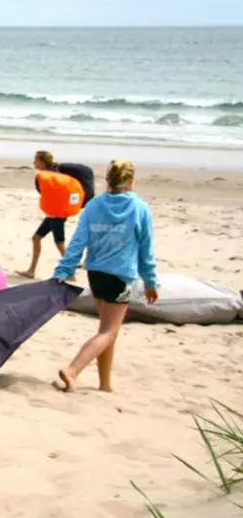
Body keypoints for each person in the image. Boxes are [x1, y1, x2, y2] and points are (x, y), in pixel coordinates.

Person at [52, 160, 158, 393]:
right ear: (131, 181)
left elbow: (79, 241)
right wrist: (151, 282)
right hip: (119, 276)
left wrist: (65, 269)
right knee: (109, 332)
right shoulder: (139, 208)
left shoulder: (93, 205)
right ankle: (72, 370)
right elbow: (146, 249)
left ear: (108, 180)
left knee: (107, 330)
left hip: (96, 273)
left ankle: (105, 384)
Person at [18, 150, 96, 278]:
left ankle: (70, 272)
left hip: (56, 214)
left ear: (42, 161)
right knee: (37, 238)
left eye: (36, 160)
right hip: (55, 212)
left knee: (59, 242)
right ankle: (31, 271)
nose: (34, 162)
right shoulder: (54, 172)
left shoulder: (51, 176)